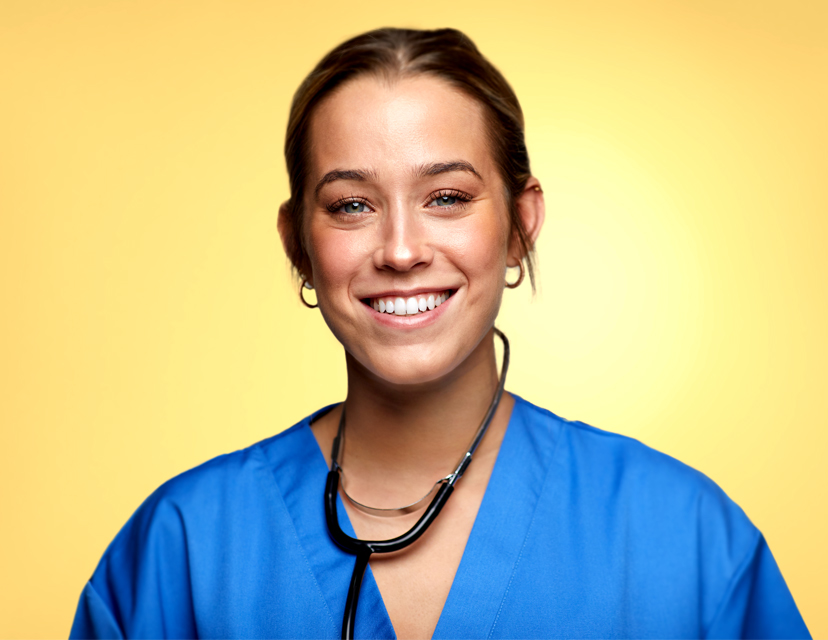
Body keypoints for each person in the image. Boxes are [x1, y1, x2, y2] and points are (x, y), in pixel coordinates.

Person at [69, 28, 810, 639]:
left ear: (521, 224)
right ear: (297, 241)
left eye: (447, 197)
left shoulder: (686, 542)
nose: (399, 249)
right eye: (352, 205)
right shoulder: (183, 551)